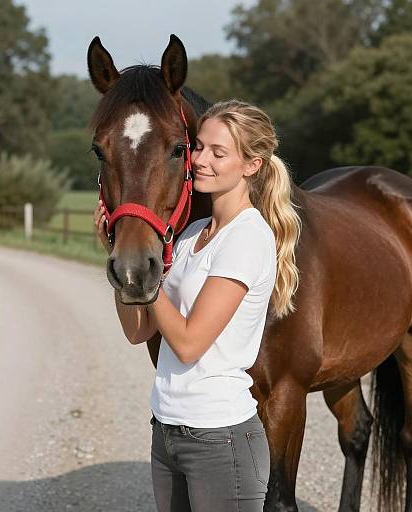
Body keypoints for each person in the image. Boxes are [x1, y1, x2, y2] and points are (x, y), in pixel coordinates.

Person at [94, 99, 301, 511]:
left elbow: (189, 343)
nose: (201, 161)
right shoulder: (189, 235)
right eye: (199, 148)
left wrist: (150, 288)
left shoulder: (247, 238)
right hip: (168, 429)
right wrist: (121, 260)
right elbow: (138, 331)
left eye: (218, 153)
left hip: (219, 437)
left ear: (251, 165)